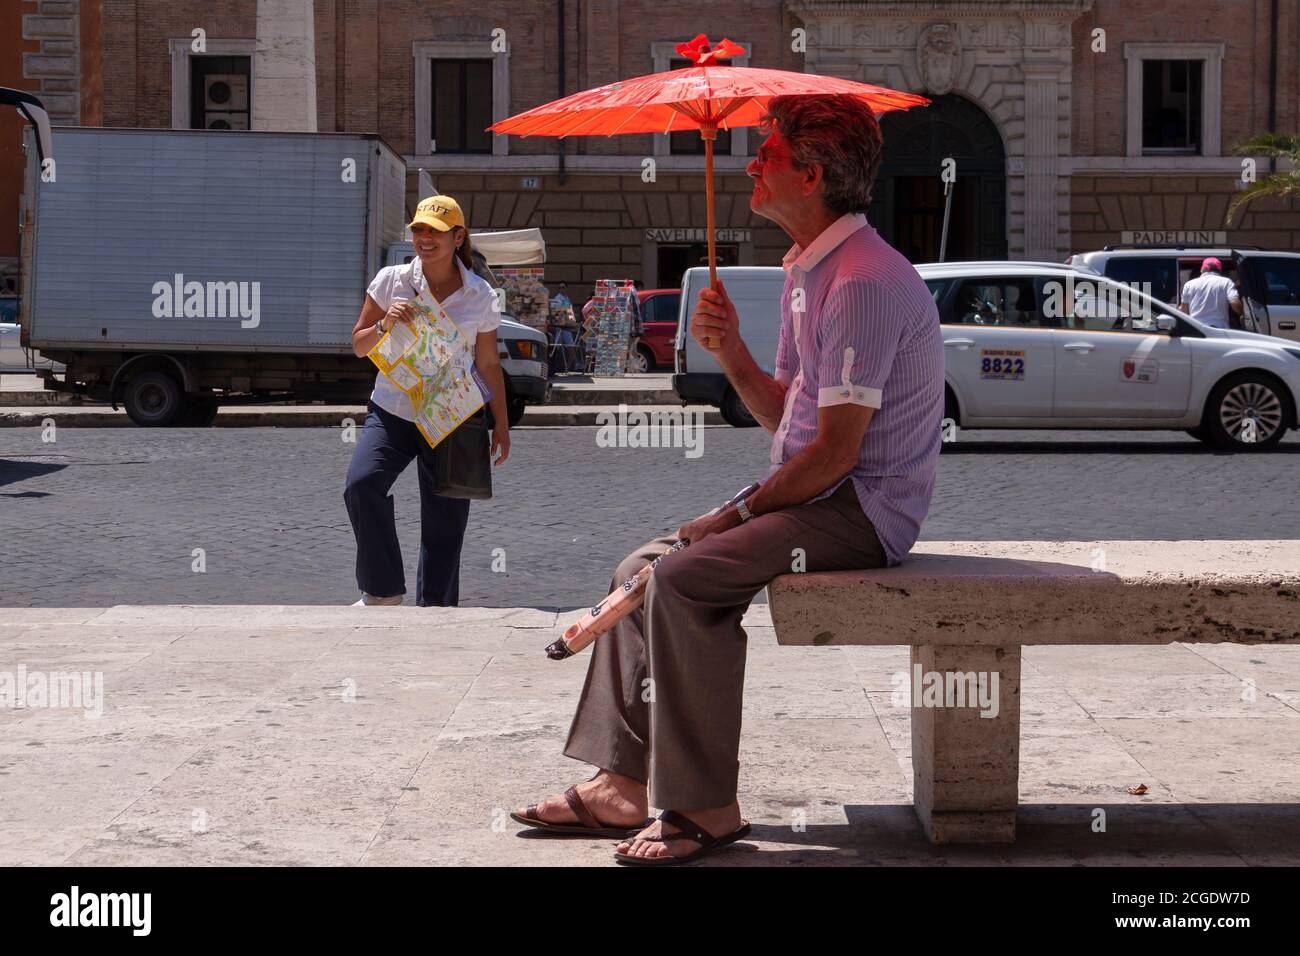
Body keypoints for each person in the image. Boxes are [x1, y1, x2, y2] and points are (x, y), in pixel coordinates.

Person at [512, 94, 945, 865]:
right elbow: (793, 421)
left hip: (861, 509)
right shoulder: (810, 271)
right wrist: (733, 353)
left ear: (810, 176)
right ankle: (621, 784)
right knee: (640, 569)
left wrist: (737, 510)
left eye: (768, 152)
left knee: (681, 579)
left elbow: (837, 454)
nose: (751, 162)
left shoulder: (863, 281)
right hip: (817, 490)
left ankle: (706, 803)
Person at [343, 195, 510, 607]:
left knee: (445, 524)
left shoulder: (480, 295)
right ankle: (382, 591)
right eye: (418, 230)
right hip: (393, 410)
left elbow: (488, 364)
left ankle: (436, 612)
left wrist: (501, 424)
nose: (424, 238)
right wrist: (384, 323)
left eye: (434, 232)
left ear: (458, 237)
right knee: (362, 484)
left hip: (451, 415)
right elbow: (359, 346)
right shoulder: (391, 280)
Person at [1179, 257, 1242, 330]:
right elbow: (1235, 303)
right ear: (1219, 270)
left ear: (1202, 269)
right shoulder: (1226, 282)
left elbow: (1184, 311)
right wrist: (1242, 312)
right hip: (1220, 330)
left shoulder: (1189, 284)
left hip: (1197, 330)